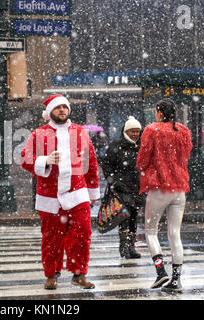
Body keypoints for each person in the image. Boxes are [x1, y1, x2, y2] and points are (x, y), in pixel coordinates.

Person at [21, 94, 100, 290]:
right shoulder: (39, 134)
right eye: (58, 108)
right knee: (52, 238)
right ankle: (51, 275)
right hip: (50, 196)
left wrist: (92, 192)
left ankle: (79, 273)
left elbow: (91, 164)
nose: (62, 110)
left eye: (65, 107)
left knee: (82, 234)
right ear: (49, 113)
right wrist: (45, 161)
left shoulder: (81, 132)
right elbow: (25, 159)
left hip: (78, 193)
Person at [136, 99, 192, 293]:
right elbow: (186, 156)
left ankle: (161, 273)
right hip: (179, 188)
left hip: (159, 186)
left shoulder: (152, 130)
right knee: (174, 233)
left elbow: (142, 161)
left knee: (151, 231)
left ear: (158, 112)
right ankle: (176, 280)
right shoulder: (183, 131)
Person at [102, 116, 144, 259]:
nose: (135, 134)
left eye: (137, 131)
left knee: (134, 217)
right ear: (126, 131)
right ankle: (124, 247)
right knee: (123, 217)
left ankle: (131, 247)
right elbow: (106, 166)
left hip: (137, 188)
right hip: (121, 188)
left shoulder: (142, 146)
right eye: (132, 131)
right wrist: (114, 182)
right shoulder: (115, 145)